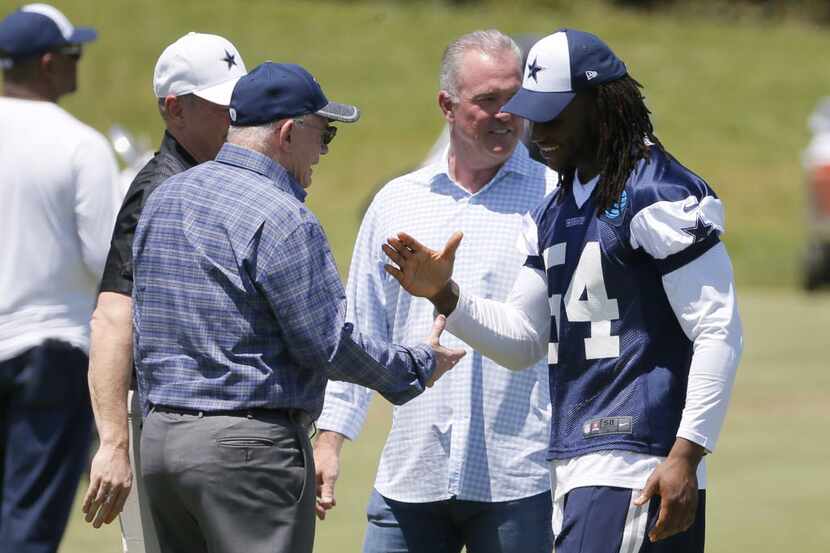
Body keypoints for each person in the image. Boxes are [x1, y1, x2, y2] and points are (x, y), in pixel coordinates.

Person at [382, 28, 743, 553]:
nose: (536, 130)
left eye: (553, 113)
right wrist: (446, 296)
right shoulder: (555, 209)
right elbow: (524, 340)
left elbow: (718, 329)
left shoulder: (657, 193)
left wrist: (686, 454)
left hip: (637, 460)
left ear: (600, 106)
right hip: (575, 460)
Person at [132, 62, 465, 553]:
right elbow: (327, 344)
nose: (325, 151)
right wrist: (416, 364)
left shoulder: (164, 197)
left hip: (160, 442)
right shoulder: (284, 216)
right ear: (288, 133)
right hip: (245, 453)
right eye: (325, 134)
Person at [314, 30, 558, 553]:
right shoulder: (397, 202)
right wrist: (330, 438)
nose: (504, 115)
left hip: (517, 477)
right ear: (446, 105)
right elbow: (358, 333)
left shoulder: (553, 197)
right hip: (412, 473)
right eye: (487, 101)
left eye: (514, 100)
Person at [80, 32, 247, 553]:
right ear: (174, 110)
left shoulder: (221, 178)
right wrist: (113, 442)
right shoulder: (157, 190)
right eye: (222, 105)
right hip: (156, 423)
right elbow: (112, 318)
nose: (236, 116)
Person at [0, 4, 121, 552]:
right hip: (49, 351)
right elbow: (106, 259)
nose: (79, 64)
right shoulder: (80, 144)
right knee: (27, 525)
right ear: (48, 63)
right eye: (74, 54)